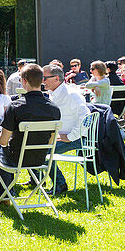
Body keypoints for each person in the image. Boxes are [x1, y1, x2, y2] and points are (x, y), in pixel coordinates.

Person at [0, 64, 61, 203]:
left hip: (15, 159)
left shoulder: (15, 106)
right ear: (42, 81)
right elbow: (51, 141)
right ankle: (6, 194)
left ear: (24, 81)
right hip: (40, 159)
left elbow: (3, 142)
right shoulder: (54, 108)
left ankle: (5, 195)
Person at [43, 64, 90, 196]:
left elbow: (86, 118)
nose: (42, 81)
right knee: (33, 146)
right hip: (60, 136)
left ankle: (60, 184)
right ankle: (39, 181)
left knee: (41, 151)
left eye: (45, 78)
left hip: (78, 138)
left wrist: (69, 137)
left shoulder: (71, 94)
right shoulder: (53, 94)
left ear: (56, 78)